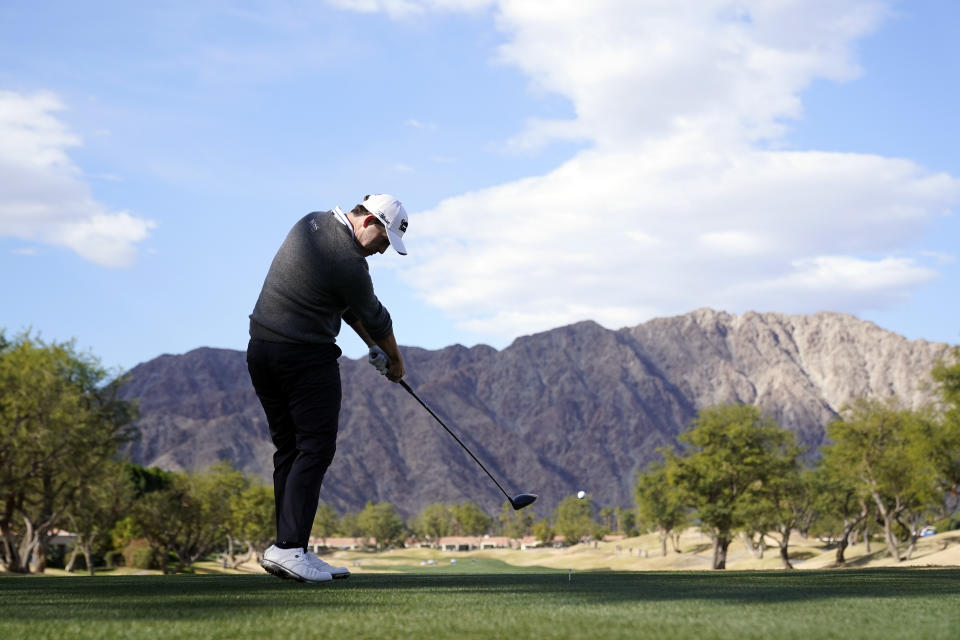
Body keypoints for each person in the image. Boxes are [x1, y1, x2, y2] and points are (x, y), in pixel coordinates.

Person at [246, 194, 408, 583]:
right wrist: (396, 363)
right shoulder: (349, 261)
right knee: (315, 448)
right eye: (384, 241)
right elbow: (375, 316)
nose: (383, 252)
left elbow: (345, 306)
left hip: (262, 352)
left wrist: (370, 346)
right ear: (369, 221)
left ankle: (290, 547)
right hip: (304, 359)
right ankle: (288, 548)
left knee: (290, 450)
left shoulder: (311, 223)